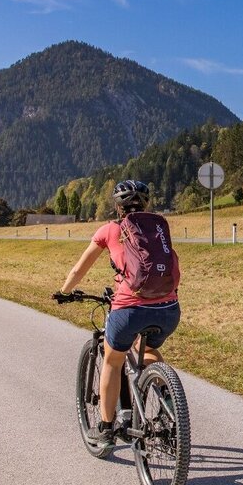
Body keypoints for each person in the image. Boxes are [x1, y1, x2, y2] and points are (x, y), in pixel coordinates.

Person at [56, 180, 181, 446]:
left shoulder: (109, 230)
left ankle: (105, 428)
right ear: (145, 204)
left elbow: (79, 269)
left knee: (113, 361)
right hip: (168, 310)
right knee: (148, 349)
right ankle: (171, 408)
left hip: (129, 310)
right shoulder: (158, 229)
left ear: (117, 206)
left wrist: (64, 291)